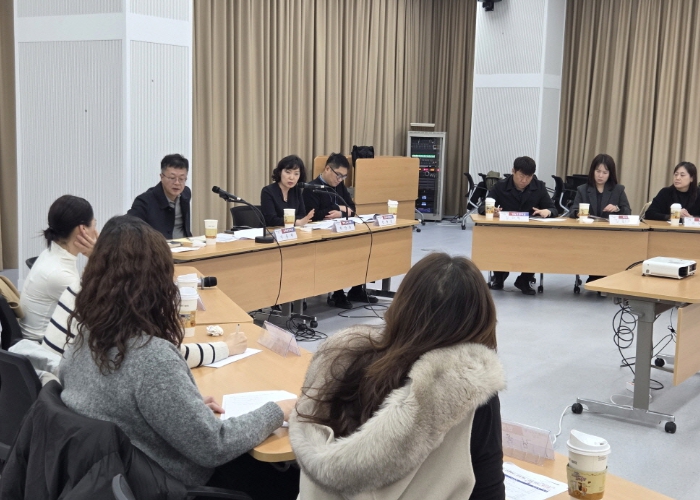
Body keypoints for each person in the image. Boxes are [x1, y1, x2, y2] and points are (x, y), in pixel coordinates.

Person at [59, 215, 299, 498]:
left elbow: (119, 406)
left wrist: (183, 409)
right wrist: (278, 410)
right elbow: (215, 446)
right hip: (171, 485)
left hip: (116, 474)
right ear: (156, 284)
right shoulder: (151, 357)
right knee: (291, 479)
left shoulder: (83, 338)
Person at [289, 252, 506, 500]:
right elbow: (489, 492)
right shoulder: (469, 392)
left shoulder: (339, 362)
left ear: (401, 306)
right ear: (482, 319)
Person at [41, 283, 248, 370]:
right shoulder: (119, 309)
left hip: (53, 400)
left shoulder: (78, 288)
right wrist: (226, 347)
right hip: (80, 419)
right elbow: (168, 356)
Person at [302, 153, 377, 308]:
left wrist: (339, 212)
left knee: (362, 245)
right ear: (327, 169)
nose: (340, 179)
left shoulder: (340, 186)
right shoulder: (312, 188)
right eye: (338, 175)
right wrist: (338, 208)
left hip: (342, 230)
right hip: (322, 235)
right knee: (338, 253)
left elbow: (352, 209)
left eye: (344, 176)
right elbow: (315, 215)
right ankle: (338, 293)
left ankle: (357, 289)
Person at [19, 195, 97, 341]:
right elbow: (96, 311)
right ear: (83, 229)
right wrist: (98, 257)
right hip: (43, 348)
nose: (96, 231)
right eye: (94, 224)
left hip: (42, 339)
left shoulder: (51, 254)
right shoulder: (60, 274)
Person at [479, 156, 557, 295]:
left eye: (528, 177)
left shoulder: (539, 186)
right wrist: (491, 210)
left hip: (530, 233)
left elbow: (553, 209)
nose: (524, 181)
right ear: (513, 171)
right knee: (496, 241)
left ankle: (524, 280)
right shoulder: (501, 186)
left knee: (539, 245)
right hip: (505, 232)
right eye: (521, 176)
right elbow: (482, 207)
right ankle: (499, 277)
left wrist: (547, 211)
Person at [128, 154, 192, 239]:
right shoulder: (144, 201)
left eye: (181, 179)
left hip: (186, 245)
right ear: (161, 177)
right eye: (172, 178)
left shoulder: (186, 193)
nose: (177, 183)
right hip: (159, 246)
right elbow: (129, 228)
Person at [569, 154, 631, 219]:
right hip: (588, 225)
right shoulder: (582, 189)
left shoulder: (618, 189)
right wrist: (578, 213)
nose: (600, 176)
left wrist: (616, 208)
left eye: (605, 173)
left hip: (609, 225)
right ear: (593, 171)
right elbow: (572, 211)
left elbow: (628, 212)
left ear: (610, 174)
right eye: (598, 171)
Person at [260, 155, 315, 227]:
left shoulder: (296, 191)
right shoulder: (268, 191)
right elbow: (271, 220)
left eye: (296, 174)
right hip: (271, 231)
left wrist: (296, 221)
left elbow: (302, 215)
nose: (291, 177)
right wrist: (295, 222)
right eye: (288, 172)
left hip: (293, 231)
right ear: (280, 172)